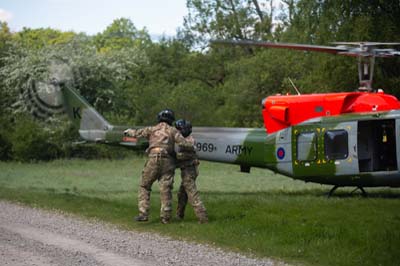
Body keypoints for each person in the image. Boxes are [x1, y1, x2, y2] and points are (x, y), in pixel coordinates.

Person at [124, 109, 190, 224]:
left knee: (145, 186)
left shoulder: (152, 129)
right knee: (166, 189)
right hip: (168, 160)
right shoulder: (173, 131)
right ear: (171, 120)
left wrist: (128, 131)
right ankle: (166, 218)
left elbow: (136, 134)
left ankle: (143, 213)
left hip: (153, 158)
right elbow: (184, 143)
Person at [175, 119, 208, 224]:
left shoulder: (189, 141)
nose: (177, 132)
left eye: (179, 130)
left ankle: (203, 218)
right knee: (182, 194)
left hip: (189, 171)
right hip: (187, 170)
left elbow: (185, 155)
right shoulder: (186, 139)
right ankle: (179, 215)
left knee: (192, 195)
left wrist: (172, 155)